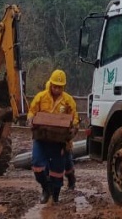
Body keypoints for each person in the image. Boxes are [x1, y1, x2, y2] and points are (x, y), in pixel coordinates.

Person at [28, 69, 79, 205]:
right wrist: (31, 121)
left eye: (60, 87)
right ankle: (46, 189)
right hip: (42, 138)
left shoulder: (68, 100)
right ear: (50, 84)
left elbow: (75, 118)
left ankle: (56, 194)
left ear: (63, 87)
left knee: (58, 170)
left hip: (59, 141)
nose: (57, 89)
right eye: (55, 86)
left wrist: (73, 129)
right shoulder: (41, 97)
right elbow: (31, 112)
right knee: (37, 165)